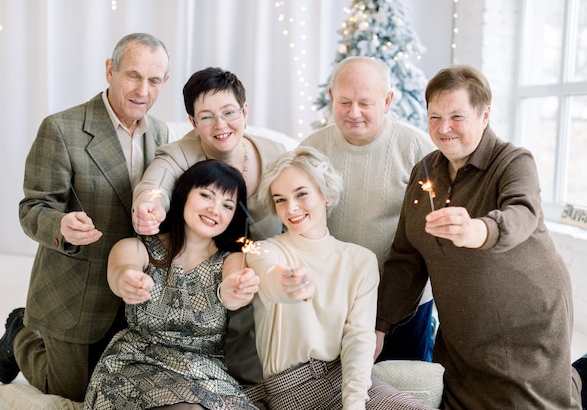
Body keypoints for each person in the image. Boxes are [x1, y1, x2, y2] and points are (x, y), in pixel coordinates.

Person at [375, 65, 584, 409]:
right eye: (434, 116)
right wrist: (379, 326)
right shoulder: (425, 171)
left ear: (484, 114)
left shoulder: (513, 162)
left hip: (527, 325)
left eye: (457, 116)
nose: (443, 128)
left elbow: (523, 213)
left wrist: (479, 229)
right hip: (462, 333)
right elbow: (406, 259)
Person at [0, 32, 172, 402]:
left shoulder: (160, 133)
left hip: (130, 290)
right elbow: (32, 208)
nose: (143, 90)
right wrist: (61, 225)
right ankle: (19, 334)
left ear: (164, 83)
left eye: (154, 80)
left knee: (113, 388)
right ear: (110, 70)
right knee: (72, 391)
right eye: (133, 76)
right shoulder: (61, 129)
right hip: (74, 291)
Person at [237, 146, 434, 410]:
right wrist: (289, 284)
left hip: (348, 379)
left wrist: (353, 404)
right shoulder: (266, 250)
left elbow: (359, 338)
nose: (291, 208)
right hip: (291, 388)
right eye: (280, 199)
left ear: (326, 196)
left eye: (301, 194)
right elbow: (271, 281)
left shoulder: (361, 261)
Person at [131, 67, 287, 385]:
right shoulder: (180, 154)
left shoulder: (274, 153)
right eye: (206, 117)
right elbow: (156, 183)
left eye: (229, 112)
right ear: (192, 122)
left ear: (244, 111)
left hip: (269, 274)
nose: (220, 126)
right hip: (212, 282)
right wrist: (148, 204)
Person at [85, 159, 260, 410]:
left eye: (227, 205)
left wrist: (234, 291)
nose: (214, 209)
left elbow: (232, 290)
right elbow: (122, 268)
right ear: (183, 194)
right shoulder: (141, 246)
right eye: (206, 195)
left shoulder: (233, 259)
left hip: (203, 371)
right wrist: (127, 280)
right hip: (137, 362)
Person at [301, 56, 436, 362]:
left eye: (365, 103)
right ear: (332, 98)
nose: (354, 113)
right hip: (333, 300)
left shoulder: (419, 150)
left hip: (406, 304)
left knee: (406, 391)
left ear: (387, 101)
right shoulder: (310, 150)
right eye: (344, 102)